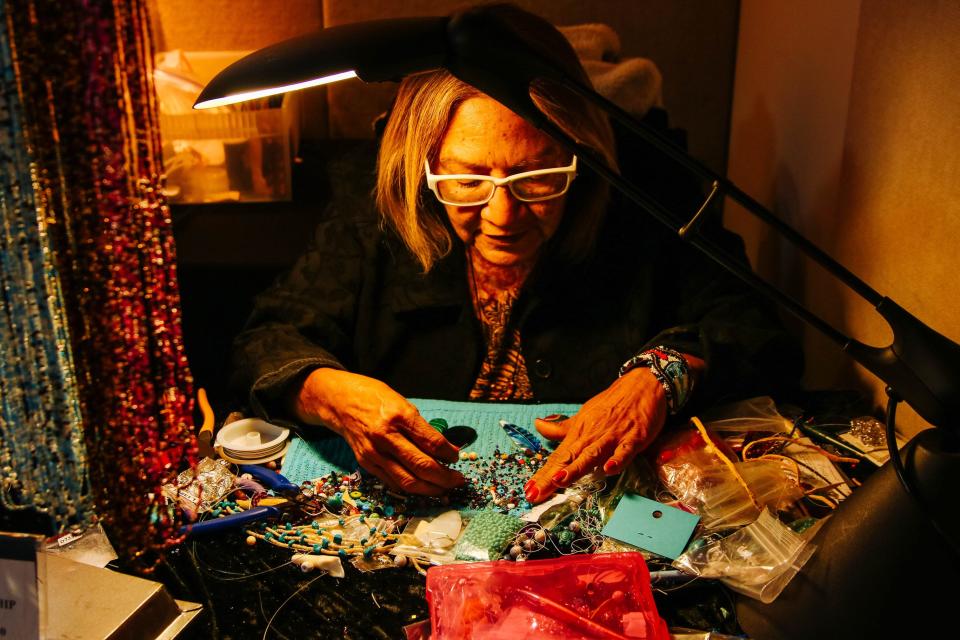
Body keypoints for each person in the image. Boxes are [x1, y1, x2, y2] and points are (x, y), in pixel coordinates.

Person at [230, 4, 801, 504]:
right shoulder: (373, 201)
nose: (502, 216)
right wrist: (329, 394)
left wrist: (659, 378)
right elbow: (269, 337)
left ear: (580, 152)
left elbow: (752, 324)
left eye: (537, 177)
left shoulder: (642, 193)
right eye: (467, 179)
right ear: (422, 165)